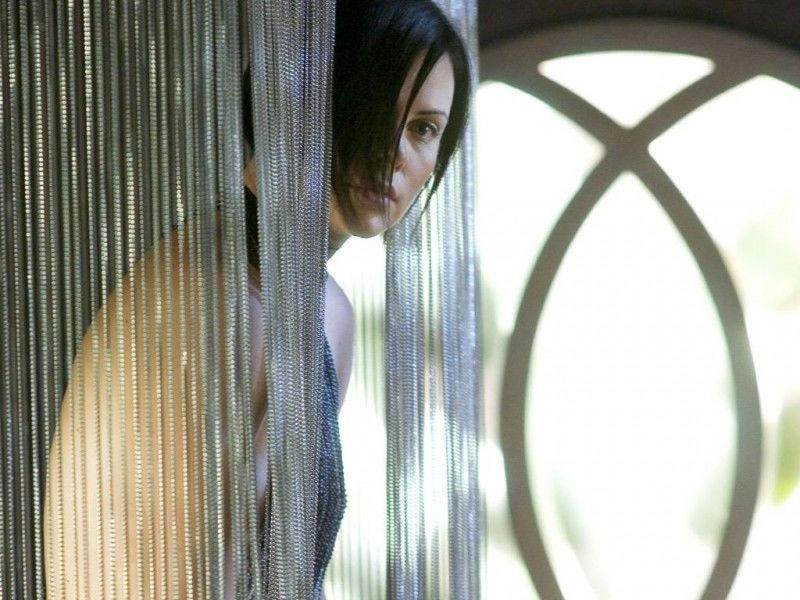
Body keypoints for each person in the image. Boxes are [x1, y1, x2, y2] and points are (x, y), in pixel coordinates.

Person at [43, 0, 471, 598]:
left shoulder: (323, 311)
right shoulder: (220, 299)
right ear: (306, 93)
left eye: (424, 128)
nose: (395, 151)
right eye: (375, 107)